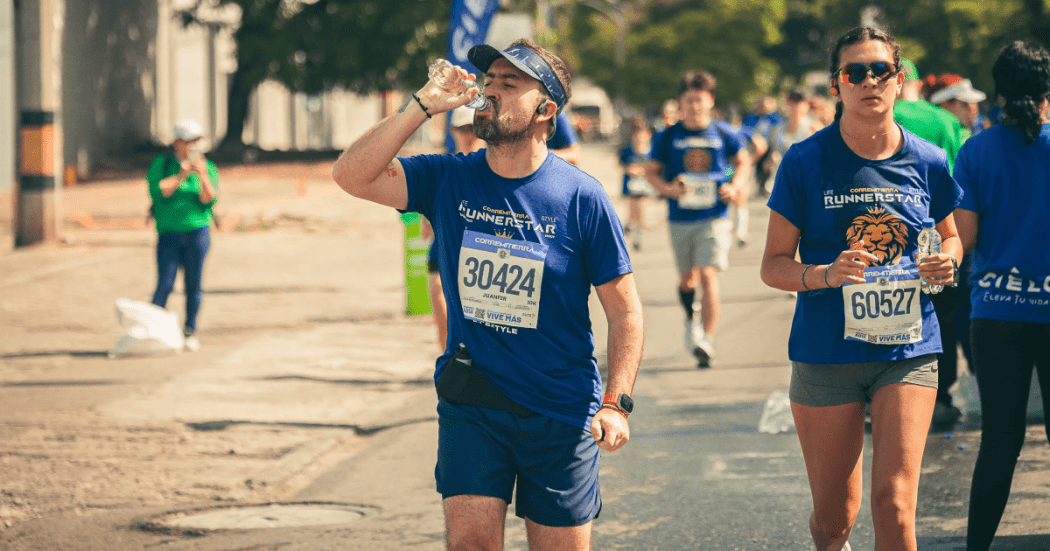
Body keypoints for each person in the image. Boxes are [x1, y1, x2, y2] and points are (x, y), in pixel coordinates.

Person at [331, 38, 644, 550]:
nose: (490, 90)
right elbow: (350, 175)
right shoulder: (448, 177)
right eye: (489, 79)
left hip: (560, 408)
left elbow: (625, 311)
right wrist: (422, 104)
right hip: (472, 399)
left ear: (545, 111)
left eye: (509, 83)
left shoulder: (581, 197)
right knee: (469, 544)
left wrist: (617, 403)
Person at [760, 26, 962, 551]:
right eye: (855, 72)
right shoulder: (804, 161)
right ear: (837, 85)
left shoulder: (928, 160)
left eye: (881, 71)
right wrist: (825, 274)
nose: (869, 81)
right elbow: (773, 266)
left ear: (899, 81)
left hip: (908, 350)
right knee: (834, 521)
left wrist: (946, 262)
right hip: (827, 354)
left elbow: (952, 237)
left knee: (895, 506)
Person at [954, 40, 1050, 551]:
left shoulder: (976, 150)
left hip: (995, 313)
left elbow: (963, 239)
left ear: (998, 91)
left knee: (999, 441)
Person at [646, 69, 751, 367]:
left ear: (710, 100)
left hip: (714, 216)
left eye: (699, 100)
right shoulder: (668, 136)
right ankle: (691, 319)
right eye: (688, 100)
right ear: (680, 103)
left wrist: (735, 186)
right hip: (680, 218)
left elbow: (743, 161)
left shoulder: (723, 133)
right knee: (687, 278)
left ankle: (707, 339)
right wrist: (668, 189)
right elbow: (651, 172)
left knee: (708, 274)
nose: (694, 106)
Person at [895, 61, 974, 426]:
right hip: (935, 233)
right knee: (941, 317)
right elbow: (958, 181)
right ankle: (938, 398)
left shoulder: (876, 117)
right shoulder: (943, 120)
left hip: (884, 234)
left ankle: (883, 396)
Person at [146, 119, 219, 352]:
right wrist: (181, 175)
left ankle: (190, 330)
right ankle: (151, 329)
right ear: (176, 142)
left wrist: (202, 175)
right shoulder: (163, 164)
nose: (192, 145)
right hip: (169, 234)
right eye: (188, 141)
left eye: (196, 141)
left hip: (197, 232)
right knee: (165, 283)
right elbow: (158, 191)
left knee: (193, 285)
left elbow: (210, 199)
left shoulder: (207, 166)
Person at [424, 107, 488, 352]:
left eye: (474, 128)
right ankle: (448, 364)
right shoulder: (442, 167)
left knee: (479, 327)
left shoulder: (496, 168)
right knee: (443, 317)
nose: (470, 134)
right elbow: (425, 215)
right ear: (453, 131)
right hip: (444, 250)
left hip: (481, 255)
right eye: (464, 128)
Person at [766, 89, 822, 194]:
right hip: (781, 179)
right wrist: (773, 158)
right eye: (791, 101)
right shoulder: (778, 129)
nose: (795, 105)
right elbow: (771, 157)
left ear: (806, 104)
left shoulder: (814, 127)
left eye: (798, 101)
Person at [619, 116, 654, 251]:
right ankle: (629, 224)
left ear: (648, 135)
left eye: (642, 135)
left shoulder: (651, 152)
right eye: (637, 135)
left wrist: (644, 171)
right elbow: (619, 165)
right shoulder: (628, 151)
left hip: (645, 185)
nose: (639, 138)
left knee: (640, 211)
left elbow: (656, 167)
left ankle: (636, 237)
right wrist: (629, 169)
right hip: (630, 185)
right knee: (633, 211)